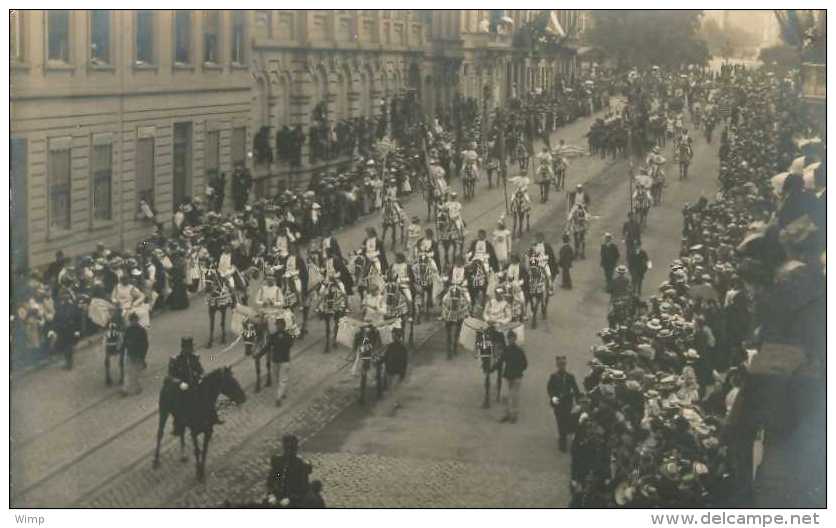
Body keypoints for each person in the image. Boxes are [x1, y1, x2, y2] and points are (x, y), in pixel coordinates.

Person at [266, 434, 312, 508]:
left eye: (292, 448)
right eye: (287, 448)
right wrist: (272, 495)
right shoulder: (279, 462)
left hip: (295, 499)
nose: (289, 451)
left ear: (296, 448)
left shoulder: (301, 464)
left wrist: (291, 498)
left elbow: (303, 486)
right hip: (278, 497)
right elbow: (274, 478)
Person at [547, 355, 581, 452]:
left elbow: (576, 389)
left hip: (567, 402)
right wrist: (553, 397)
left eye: (563, 364)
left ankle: (563, 438)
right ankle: (562, 441)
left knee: (566, 420)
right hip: (558, 403)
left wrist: (579, 401)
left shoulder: (570, 377)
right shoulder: (553, 377)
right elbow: (550, 388)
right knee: (560, 421)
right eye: (560, 365)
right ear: (557, 365)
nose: (562, 366)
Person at [497, 330, 527, 424]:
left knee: (514, 397)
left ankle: (514, 415)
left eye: (512, 338)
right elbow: (500, 361)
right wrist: (492, 369)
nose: (511, 340)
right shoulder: (506, 350)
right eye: (509, 338)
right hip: (507, 376)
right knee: (504, 396)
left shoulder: (519, 351)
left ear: (515, 339)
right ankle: (506, 414)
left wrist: (519, 371)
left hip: (516, 377)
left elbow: (525, 364)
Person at [266, 318, 295, 406]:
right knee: (278, 378)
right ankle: (283, 392)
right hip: (276, 361)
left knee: (282, 379)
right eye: (277, 325)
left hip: (283, 361)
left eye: (279, 325)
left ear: (283, 326)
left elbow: (289, 345)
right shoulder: (275, 336)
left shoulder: (287, 336)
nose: (277, 327)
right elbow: (268, 347)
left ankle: (278, 398)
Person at [122, 312, 149, 396]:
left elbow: (145, 344)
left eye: (134, 320)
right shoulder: (129, 329)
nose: (133, 322)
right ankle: (126, 389)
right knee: (128, 371)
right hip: (131, 353)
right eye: (132, 321)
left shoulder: (140, 330)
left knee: (136, 372)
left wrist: (143, 356)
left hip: (137, 354)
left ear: (136, 320)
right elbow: (125, 341)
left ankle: (136, 388)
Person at [383, 328, 408, 409]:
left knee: (394, 386)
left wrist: (403, 372)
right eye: (393, 336)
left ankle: (395, 402)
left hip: (395, 370)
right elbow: (385, 357)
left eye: (394, 336)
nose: (393, 337)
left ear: (398, 337)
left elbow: (404, 360)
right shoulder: (392, 346)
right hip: (391, 369)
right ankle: (395, 402)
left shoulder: (400, 347)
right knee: (393, 387)